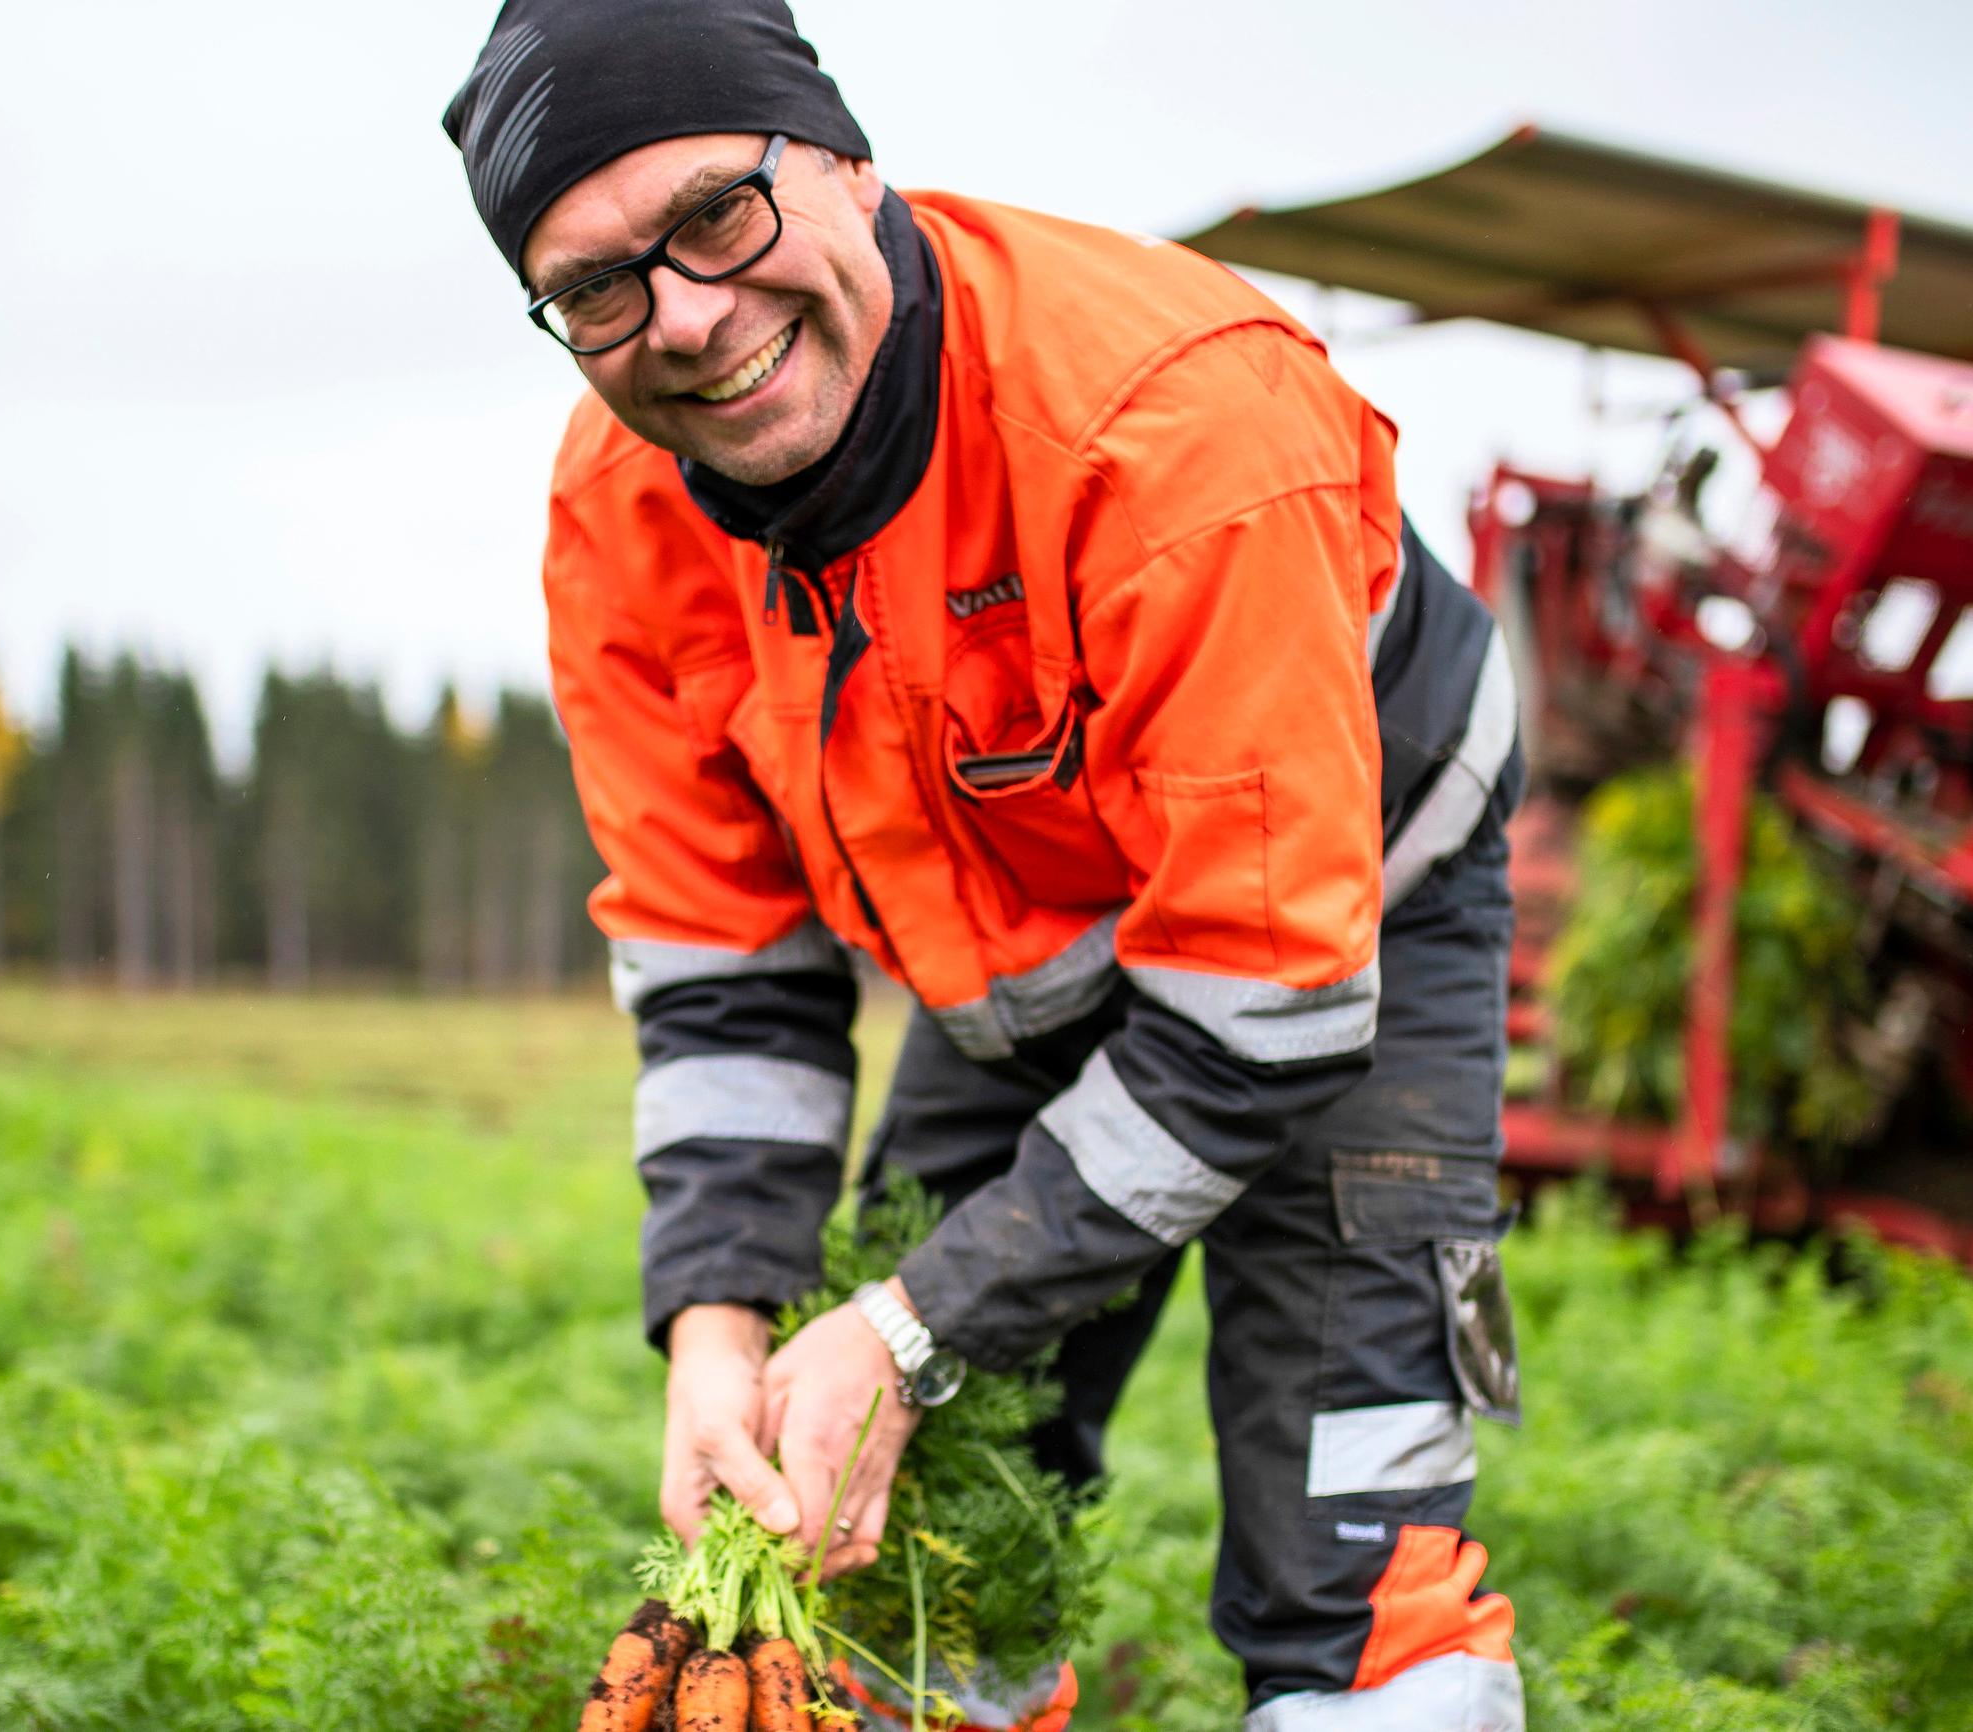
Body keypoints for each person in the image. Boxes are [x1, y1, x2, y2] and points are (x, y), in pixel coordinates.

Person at [444, 4, 1526, 1726]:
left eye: (714, 215)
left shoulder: (1173, 426)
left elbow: (1260, 1006)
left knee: (1351, 1539)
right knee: (913, 1540)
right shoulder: (615, 504)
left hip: (1345, 925)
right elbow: (717, 953)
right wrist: (718, 1320)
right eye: (594, 287)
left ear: (846, 164)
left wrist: (911, 1320)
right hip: (1017, 948)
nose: (687, 320)